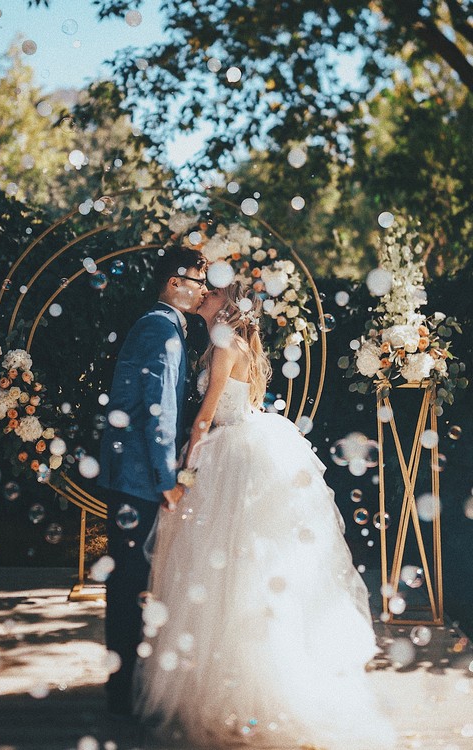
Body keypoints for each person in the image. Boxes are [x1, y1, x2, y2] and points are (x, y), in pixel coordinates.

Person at [134, 281, 397, 749]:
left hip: (226, 454)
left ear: (224, 304)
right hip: (250, 444)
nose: (202, 300)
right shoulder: (238, 344)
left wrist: (187, 473)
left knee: (223, 566)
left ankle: (231, 686)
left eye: (210, 296)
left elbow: (205, 415)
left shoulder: (220, 345)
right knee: (247, 566)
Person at [98, 244, 208, 716]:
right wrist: (168, 480)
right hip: (140, 478)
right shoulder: (160, 329)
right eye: (198, 281)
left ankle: (126, 680)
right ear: (175, 283)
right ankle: (122, 689)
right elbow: (157, 411)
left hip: (136, 475)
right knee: (129, 581)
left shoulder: (165, 327)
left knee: (132, 579)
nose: (204, 290)